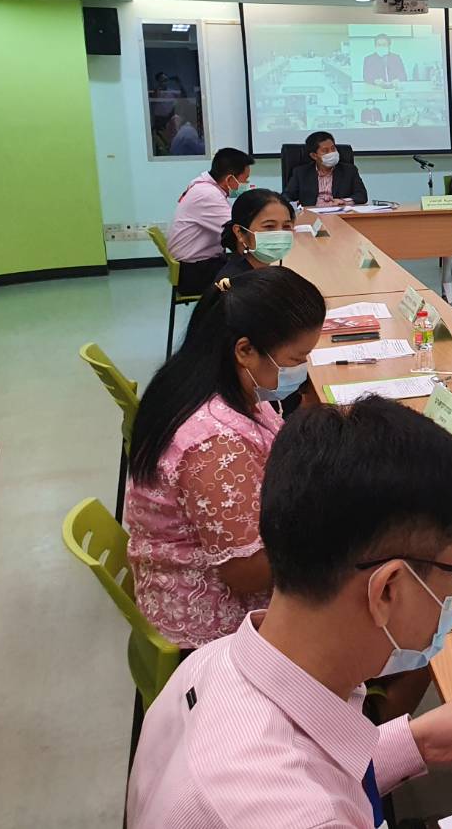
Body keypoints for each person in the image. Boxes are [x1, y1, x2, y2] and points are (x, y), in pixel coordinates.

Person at [127, 397, 452, 827]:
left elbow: (309, 769)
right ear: (387, 590)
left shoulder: (210, 662)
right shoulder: (303, 817)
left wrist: (414, 742)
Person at [124, 268, 326, 650]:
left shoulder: (206, 382)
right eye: (297, 358)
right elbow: (246, 574)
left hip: (193, 579)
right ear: (245, 350)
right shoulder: (215, 445)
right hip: (209, 623)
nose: (302, 370)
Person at [167, 147, 254, 296]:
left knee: (248, 264)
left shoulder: (203, 187)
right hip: (194, 273)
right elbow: (237, 231)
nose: (247, 183)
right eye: (245, 179)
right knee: (255, 276)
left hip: (195, 266)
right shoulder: (208, 195)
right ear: (229, 179)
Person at [217, 189, 296, 281]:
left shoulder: (258, 272)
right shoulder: (238, 283)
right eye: (269, 226)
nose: (280, 234)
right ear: (239, 232)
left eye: (286, 226)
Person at [284, 130, 369, 206]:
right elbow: (286, 196)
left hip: (339, 213)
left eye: (333, 148)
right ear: (314, 156)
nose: (331, 153)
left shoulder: (349, 170)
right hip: (312, 214)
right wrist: (294, 204)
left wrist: (343, 201)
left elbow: (362, 196)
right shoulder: (301, 173)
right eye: (325, 151)